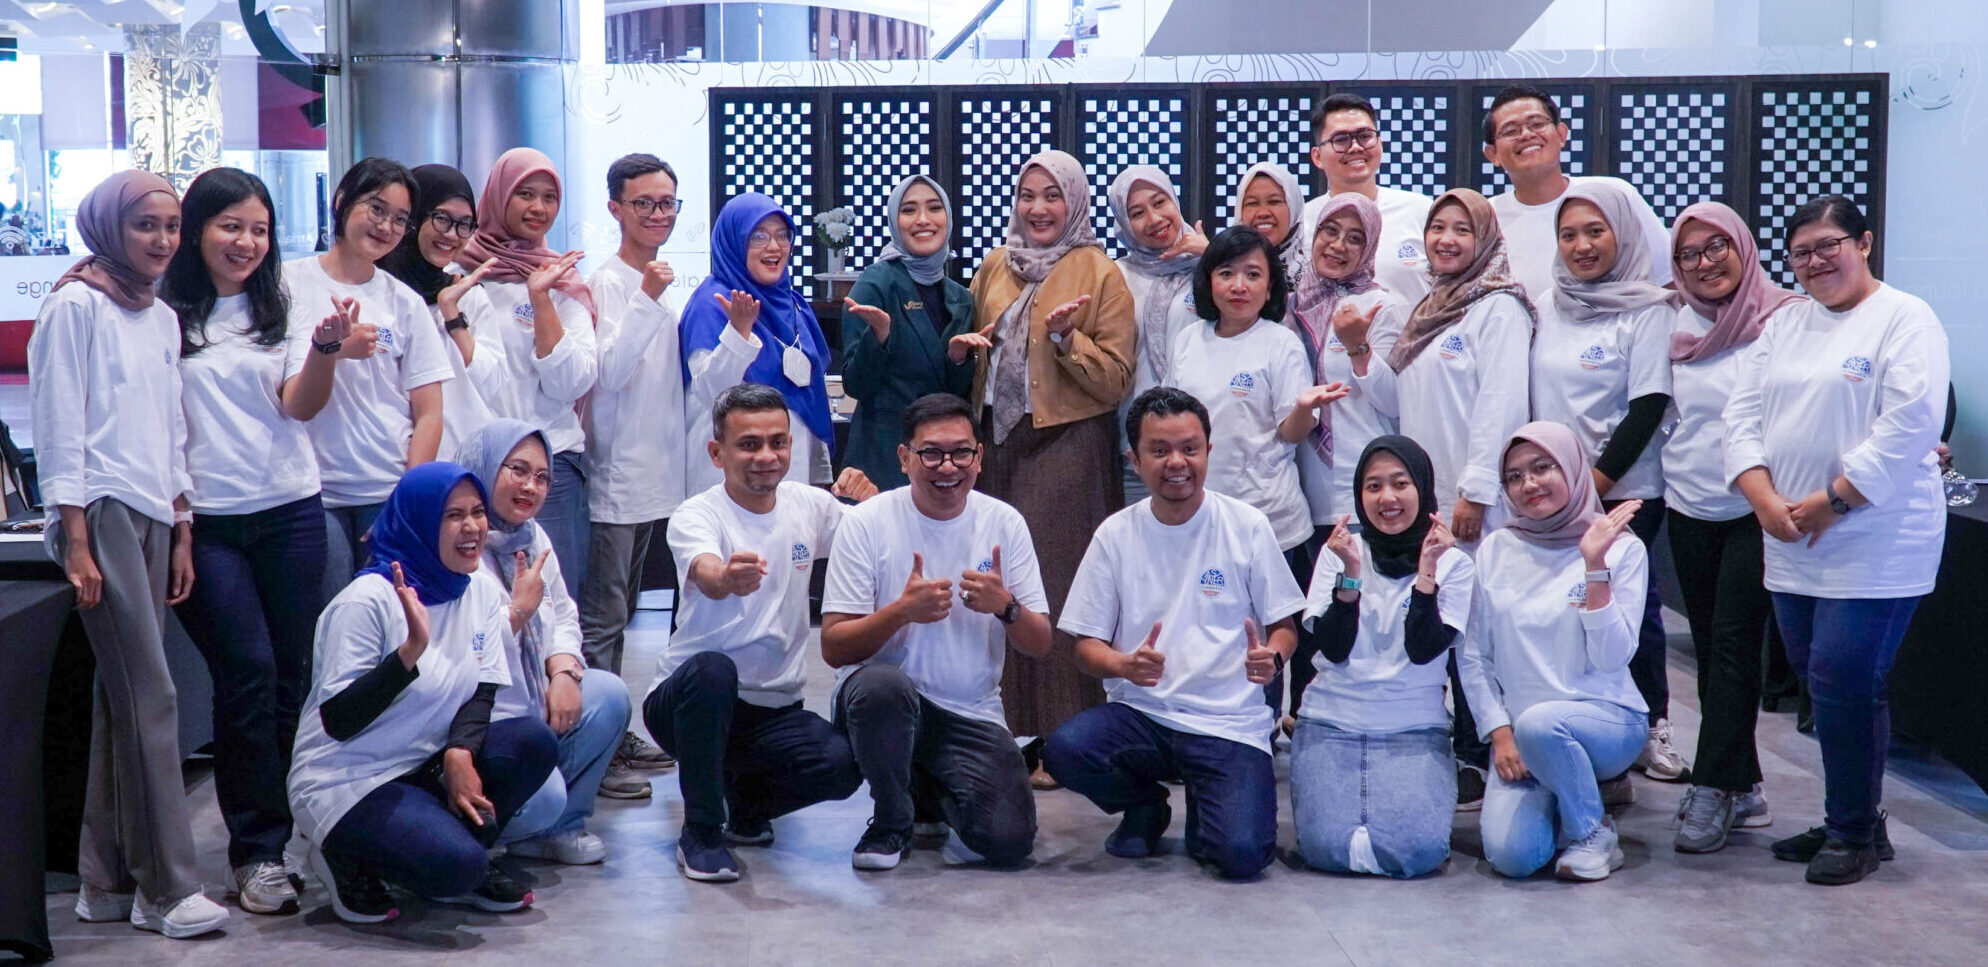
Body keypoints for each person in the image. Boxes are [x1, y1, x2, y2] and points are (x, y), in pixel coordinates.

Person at [1725, 195, 1949, 885]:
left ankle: (1851, 830)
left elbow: (1912, 424)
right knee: (1820, 681)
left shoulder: (1906, 318)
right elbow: (1742, 413)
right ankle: (1856, 816)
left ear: (1865, 243)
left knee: (1844, 677)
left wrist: (1836, 500)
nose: (1816, 261)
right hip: (1792, 535)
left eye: (1829, 245)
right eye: (1802, 252)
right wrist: (1762, 496)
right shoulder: (1785, 323)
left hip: (1875, 537)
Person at [31, 170, 231, 939]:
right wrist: (75, 538)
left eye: (171, 226)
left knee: (124, 700)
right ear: (110, 226)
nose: (162, 239)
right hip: (102, 510)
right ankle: (167, 887)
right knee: (153, 697)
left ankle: (107, 877)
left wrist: (181, 520)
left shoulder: (160, 314)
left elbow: (170, 424)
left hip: (152, 510)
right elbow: (59, 425)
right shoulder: (75, 306)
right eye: (147, 224)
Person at [1044, 387, 1305, 881]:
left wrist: (1272, 656)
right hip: (1144, 715)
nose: (1177, 463)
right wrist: (1123, 665)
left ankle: (1210, 809)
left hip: (1227, 721)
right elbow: (1084, 646)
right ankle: (1145, 805)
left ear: (1209, 451)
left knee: (1241, 857)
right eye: (1159, 450)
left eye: (1190, 448)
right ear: (1135, 459)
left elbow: (1284, 627)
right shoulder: (1115, 534)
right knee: (1066, 750)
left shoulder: (1247, 525)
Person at [289, 463, 557, 922]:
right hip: (350, 779)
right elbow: (339, 721)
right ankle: (342, 854)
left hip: (423, 761)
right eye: (453, 515)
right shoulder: (366, 601)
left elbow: (483, 688)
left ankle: (450, 850)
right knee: (457, 867)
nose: (472, 526)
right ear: (419, 522)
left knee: (532, 742)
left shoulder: (478, 591)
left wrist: (459, 754)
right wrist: (407, 656)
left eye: (477, 512)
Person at [161, 167, 324, 916]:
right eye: (231, 226)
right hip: (208, 524)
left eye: (259, 229)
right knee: (248, 675)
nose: (247, 242)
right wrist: (180, 520)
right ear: (197, 230)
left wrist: (325, 352)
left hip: (292, 511)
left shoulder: (281, 305)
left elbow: (299, 406)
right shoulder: (163, 313)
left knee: (292, 679)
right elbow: (159, 427)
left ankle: (293, 839)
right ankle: (255, 852)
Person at [642, 384, 872, 883]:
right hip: (688, 702)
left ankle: (743, 805)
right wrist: (725, 578)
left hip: (773, 708)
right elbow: (706, 570)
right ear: (717, 453)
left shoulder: (810, 505)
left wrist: (873, 504)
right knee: (712, 671)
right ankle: (701, 833)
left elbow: (871, 534)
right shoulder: (697, 514)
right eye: (749, 444)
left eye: (777, 442)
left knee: (841, 766)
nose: (766, 456)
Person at [1349, 187, 1534, 804]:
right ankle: (1455, 751)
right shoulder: (1430, 306)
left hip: (1472, 500)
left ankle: (1486, 754)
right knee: (1441, 622)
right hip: (1429, 501)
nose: (1446, 240)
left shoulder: (1499, 307)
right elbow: (1398, 400)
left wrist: (1477, 491)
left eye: (1461, 229)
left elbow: (1502, 403)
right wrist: (1359, 351)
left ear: (1484, 240)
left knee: (1475, 630)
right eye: (1437, 228)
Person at [960, 149, 1135, 784]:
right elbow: (976, 349)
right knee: (999, 583)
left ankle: (1063, 741)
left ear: (1075, 202)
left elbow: (1115, 381)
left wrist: (1066, 340)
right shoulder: (994, 265)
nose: (1038, 208)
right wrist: (963, 350)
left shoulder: (1101, 272)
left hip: (1067, 444)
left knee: (1056, 588)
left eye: (1052, 196)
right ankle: (1001, 730)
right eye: (1028, 195)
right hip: (995, 443)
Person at [821, 393, 1051, 870]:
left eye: (961, 452)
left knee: (1008, 841)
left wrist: (1006, 607)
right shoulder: (865, 523)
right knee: (883, 686)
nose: (948, 467)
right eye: (931, 453)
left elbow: (1040, 642)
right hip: (881, 704)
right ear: (904, 458)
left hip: (971, 711)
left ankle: (926, 788)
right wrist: (900, 612)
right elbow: (834, 647)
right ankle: (890, 821)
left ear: (979, 457)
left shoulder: (1004, 523)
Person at [1534, 180, 1686, 782]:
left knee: (1630, 612)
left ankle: (1651, 725)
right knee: (1568, 610)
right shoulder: (1546, 305)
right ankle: (1580, 722)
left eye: (1596, 232)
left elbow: (1647, 407)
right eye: (1569, 234)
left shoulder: (1649, 309)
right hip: (1552, 493)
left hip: (1623, 492)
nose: (1582, 246)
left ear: (1622, 234)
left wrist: (1592, 485)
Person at [1663, 201, 1802, 853]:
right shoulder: (1671, 320)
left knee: (1733, 645)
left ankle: (1713, 786)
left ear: (1744, 247)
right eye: (1689, 253)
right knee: (1712, 649)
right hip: (1688, 503)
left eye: (1716, 247)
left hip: (1756, 504)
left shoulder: (1785, 320)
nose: (1704, 263)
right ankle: (1744, 784)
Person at [1457, 422, 1649, 882]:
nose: (1529, 484)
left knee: (1542, 723)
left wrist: (1594, 566)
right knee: (1514, 858)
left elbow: (1612, 658)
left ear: (1573, 469)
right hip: (1522, 736)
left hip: (1605, 721)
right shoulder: (1495, 549)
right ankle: (1568, 799)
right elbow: (1474, 655)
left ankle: (1592, 833)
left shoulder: (1621, 549)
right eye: (1514, 477)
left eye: (1543, 468)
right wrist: (1501, 736)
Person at [456, 419, 646, 859]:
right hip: (478, 719)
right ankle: (483, 836)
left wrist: (562, 670)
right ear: (485, 467)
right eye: (518, 470)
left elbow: (562, 612)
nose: (531, 486)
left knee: (608, 694)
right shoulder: (457, 538)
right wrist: (517, 613)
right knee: (543, 799)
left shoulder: (531, 534)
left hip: (531, 700)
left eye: (542, 477)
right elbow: (462, 650)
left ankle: (558, 830)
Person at [1292, 436, 1472, 878]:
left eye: (1400, 483)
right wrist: (1351, 575)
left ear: (1422, 489)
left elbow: (1423, 649)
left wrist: (1427, 573)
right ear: (1359, 496)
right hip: (1330, 722)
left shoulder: (1454, 564)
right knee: (1325, 850)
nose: (1387, 498)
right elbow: (1334, 648)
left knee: (1418, 853)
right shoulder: (1340, 553)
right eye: (1373, 487)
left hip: (1413, 727)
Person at [281, 157, 452, 590]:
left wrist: (406, 497)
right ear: (342, 201)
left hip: (385, 489)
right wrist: (335, 350)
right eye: (376, 208)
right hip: (310, 493)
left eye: (400, 219)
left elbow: (429, 412)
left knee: (391, 614)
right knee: (328, 615)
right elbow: (287, 395)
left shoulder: (404, 302)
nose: (386, 226)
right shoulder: (288, 283)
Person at [1283, 192, 1413, 719]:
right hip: (1304, 485)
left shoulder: (1384, 305)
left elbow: (1395, 402)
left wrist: (1358, 347)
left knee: (1360, 612)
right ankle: (1304, 720)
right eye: (1329, 232)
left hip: (1364, 482)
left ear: (1370, 247)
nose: (1338, 246)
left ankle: (1367, 717)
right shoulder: (1292, 305)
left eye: (1354, 238)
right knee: (1307, 616)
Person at [578, 153, 686, 779]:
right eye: (643, 203)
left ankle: (614, 734)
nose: (657, 214)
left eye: (666, 203)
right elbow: (610, 373)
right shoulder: (609, 283)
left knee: (623, 618)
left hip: (655, 478)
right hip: (615, 477)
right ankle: (596, 752)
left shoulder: (653, 284)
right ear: (615, 209)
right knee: (603, 621)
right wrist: (648, 297)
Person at [456, 146, 597, 601]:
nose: (538, 207)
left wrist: (541, 300)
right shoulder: (459, 275)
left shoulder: (563, 280)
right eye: (525, 194)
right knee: (476, 599)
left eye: (549, 197)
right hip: (474, 463)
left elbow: (572, 382)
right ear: (498, 196)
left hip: (550, 462)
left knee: (555, 600)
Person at [681, 192, 837, 494]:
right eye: (759, 237)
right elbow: (711, 392)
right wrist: (738, 332)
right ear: (735, 242)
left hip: (791, 470)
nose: (774, 246)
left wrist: (818, 471)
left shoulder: (794, 305)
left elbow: (810, 393)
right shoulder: (712, 303)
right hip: (728, 477)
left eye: (782, 235)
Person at [840, 174, 976, 490]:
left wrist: (958, 359)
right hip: (884, 457)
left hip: (943, 458)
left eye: (934, 208)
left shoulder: (960, 297)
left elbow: (953, 393)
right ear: (894, 221)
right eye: (909, 210)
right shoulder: (876, 283)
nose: (923, 219)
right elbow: (856, 385)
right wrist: (879, 337)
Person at [1479, 84, 1672, 306]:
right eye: (1511, 131)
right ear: (1493, 154)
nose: (1527, 135)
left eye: (1537, 124)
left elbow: (1669, 279)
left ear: (1561, 134)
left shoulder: (1614, 195)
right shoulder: (1484, 218)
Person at [376, 163, 504, 461]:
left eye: (465, 224)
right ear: (415, 217)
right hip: (389, 462)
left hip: (461, 461)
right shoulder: (378, 291)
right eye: (442, 219)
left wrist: (453, 319)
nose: (452, 234)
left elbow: (493, 386)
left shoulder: (468, 295)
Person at [1108, 164, 1205, 502]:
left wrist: (1212, 256)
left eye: (1160, 202)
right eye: (1137, 213)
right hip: (1138, 443)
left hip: (1203, 442)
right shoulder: (1115, 276)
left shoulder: (1211, 269)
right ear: (1124, 222)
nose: (1154, 218)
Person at [1299, 92, 1434, 301]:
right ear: (1317, 157)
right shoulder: (1301, 222)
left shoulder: (1421, 210)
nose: (1355, 147)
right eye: (1341, 139)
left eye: (1364, 136)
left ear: (1380, 143)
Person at [1230, 161, 1308, 280]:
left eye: (1274, 202)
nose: (1263, 213)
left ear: (1294, 207)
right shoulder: (1220, 270)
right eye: (1252, 203)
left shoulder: (1320, 271)